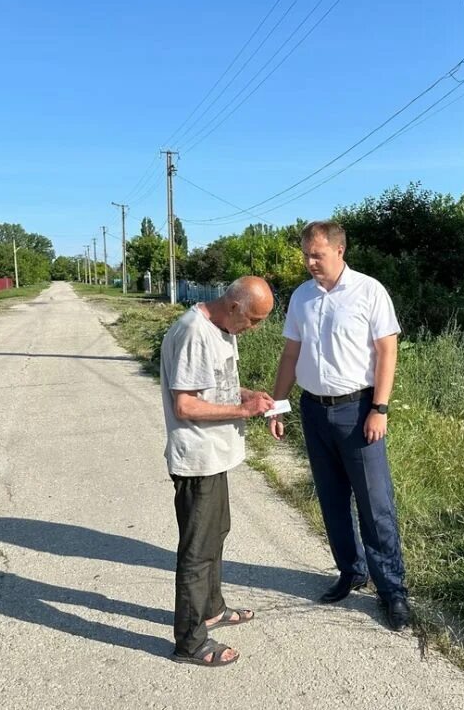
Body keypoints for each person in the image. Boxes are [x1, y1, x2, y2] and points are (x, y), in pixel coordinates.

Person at [268, 221, 410, 631]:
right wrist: (278, 405)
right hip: (314, 410)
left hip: (358, 410)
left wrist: (379, 408)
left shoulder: (369, 291)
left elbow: (387, 352)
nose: (310, 262)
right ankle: (351, 571)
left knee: (374, 503)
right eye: (306, 255)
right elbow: (291, 355)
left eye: (317, 254)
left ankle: (392, 590)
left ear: (340, 251)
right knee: (331, 499)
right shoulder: (301, 297)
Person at [159, 276, 276, 667]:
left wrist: (249, 396)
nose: (255, 328)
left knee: (216, 534)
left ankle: (211, 608)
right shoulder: (193, 332)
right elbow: (187, 406)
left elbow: (219, 387)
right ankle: (190, 642)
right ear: (236, 307)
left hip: (217, 456)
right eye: (254, 320)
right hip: (197, 459)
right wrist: (243, 411)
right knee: (196, 551)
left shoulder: (224, 328)